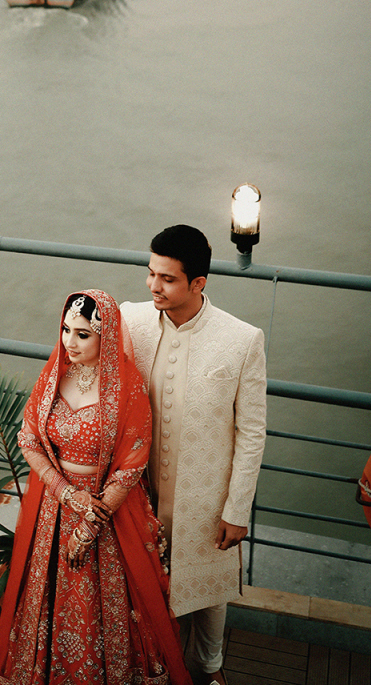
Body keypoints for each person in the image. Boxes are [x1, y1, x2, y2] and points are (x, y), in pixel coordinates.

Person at [0, 289, 192, 685]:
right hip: (53, 510)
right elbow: (28, 439)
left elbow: (132, 464)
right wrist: (64, 491)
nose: (69, 342)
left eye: (82, 334)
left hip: (107, 515)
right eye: (65, 330)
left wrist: (89, 526)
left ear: (105, 337)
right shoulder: (54, 377)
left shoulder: (126, 387)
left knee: (105, 604)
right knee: (45, 598)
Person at [120, 225, 267, 685]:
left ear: (198, 282)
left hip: (205, 495)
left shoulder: (242, 339)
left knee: (209, 591)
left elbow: (252, 433)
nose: (153, 286)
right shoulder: (129, 320)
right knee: (139, 583)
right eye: (151, 273)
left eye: (167, 279)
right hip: (139, 492)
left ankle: (210, 667)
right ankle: (150, 665)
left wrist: (236, 509)